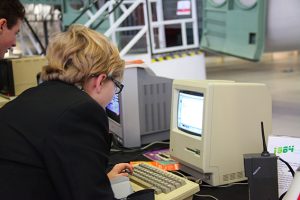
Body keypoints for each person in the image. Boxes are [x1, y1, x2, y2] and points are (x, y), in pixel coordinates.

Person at [0, 24, 132, 199]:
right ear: (100, 81)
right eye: (116, 86)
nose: (114, 93)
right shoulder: (81, 112)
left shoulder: (33, 95)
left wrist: (98, 180)